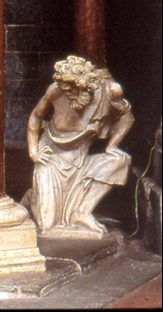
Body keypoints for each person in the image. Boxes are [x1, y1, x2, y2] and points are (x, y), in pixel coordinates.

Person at [26, 55, 134, 237]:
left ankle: (82, 212)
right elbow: (35, 117)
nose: (68, 91)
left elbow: (127, 118)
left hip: (80, 160)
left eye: (73, 87)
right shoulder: (56, 91)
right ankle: (33, 197)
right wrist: (33, 151)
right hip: (51, 157)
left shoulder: (109, 92)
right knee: (47, 227)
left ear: (87, 84)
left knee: (118, 162)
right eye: (65, 86)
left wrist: (113, 146)